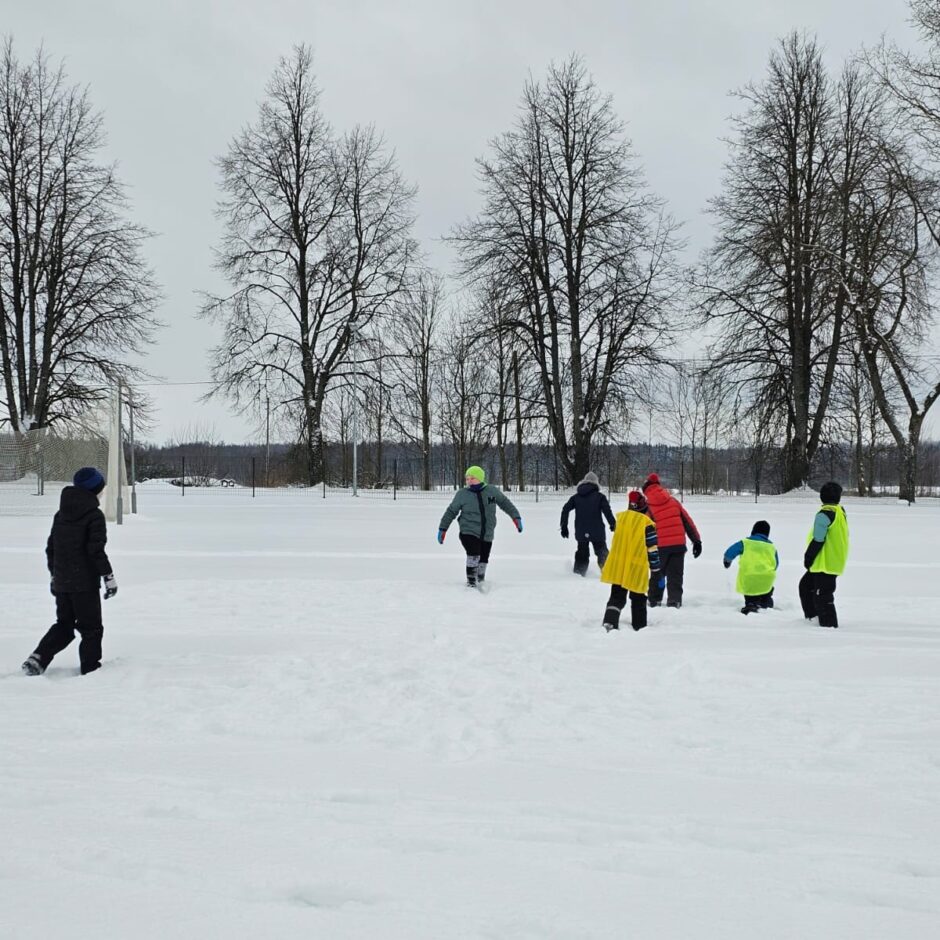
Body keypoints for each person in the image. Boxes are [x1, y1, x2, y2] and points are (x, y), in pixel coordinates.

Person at [22, 467, 118, 676]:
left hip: (63, 581)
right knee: (91, 629)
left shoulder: (61, 514)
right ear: (96, 490)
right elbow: (95, 551)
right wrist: (108, 577)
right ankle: (91, 670)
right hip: (85, 585)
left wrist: (54, 575)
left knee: (64, 626)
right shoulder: (94, 515)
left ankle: (37, 659)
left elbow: (51, 548)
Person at [437, 465, 522, 587]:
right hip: (468, 531)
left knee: (484, 558)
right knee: (474, 554)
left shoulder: (492, 491)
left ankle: (480, 580)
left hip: (487, 532)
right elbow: (451, 511)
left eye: (472, 478)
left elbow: (505, 503)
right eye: (467, 478)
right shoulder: (462, 494)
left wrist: (516, 517)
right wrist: (443, 528)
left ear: (480, 478)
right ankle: (471, 581)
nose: (469, 481)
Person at [600, 490, 661, 632]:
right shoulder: (646, 523)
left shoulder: (621, 519)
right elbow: (652, 548)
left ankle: (610, 621)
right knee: (638, 597)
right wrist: (656, 568)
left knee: (616, 595)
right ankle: (639, 625)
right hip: (636, 566)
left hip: (619, 564)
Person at [640, 473, 702, 608]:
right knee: (675, 575)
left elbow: (644, 528)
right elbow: (687, 522)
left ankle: (654, 600)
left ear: (646, 490)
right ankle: (674, 601)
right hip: (678, 545)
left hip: (659, 547)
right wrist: (696, 541)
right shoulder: (673, 501)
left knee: (658, 574)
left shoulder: (648, 507)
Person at [799, 481, 849, 628]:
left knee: (823, 595)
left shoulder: (825, 514)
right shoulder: (840, 511)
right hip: (830, 561)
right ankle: (813, 619)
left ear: (821, 496)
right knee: (806, 587)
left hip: (825, 563)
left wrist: (808, 557)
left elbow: (818, 539)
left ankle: (828, 626)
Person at [560, 471, 617, 576]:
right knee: (601, 551)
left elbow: (565, 509)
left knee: (582, 552)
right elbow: (607, 511)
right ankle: (609, 572)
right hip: (597, 530)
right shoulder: (600, 497)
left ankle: (578, 573)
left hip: (581, 530)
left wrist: (564, 526)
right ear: (596, 483)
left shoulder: (576, 497)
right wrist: (613, 524)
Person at [723, 520, 779, 614]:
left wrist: (727, 561)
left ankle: (751, 604)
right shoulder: (771, 547)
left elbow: (730, 552)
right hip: (767, 577)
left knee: (751, 594)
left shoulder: (745, 543)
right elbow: (776, 563)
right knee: (765, 592)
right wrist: (769, 571)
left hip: (749, 577)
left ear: (753, 531)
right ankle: (766, 602)